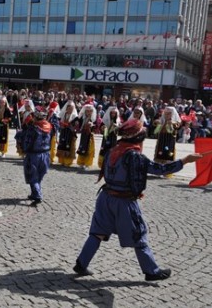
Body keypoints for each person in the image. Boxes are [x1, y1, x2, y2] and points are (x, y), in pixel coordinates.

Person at [73, 119, 201, 281]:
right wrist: (185, 160)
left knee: (97, 233)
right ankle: (151, 271)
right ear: (138, 137)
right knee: (138, 234)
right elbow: (160, 169)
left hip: (105, 199)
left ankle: (81, 263)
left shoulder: (114, 150)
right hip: (124, 202)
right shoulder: (134, 156)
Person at [19, 107, 52, 207]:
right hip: (45, 155)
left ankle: (37, 195)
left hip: (34, 155)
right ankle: (34, 193)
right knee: (39, 176)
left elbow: (27, 142)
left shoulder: (33, 129)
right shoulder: (49, 127)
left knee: (32, 175)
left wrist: (20, 135)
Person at [153, 106, 181, 178]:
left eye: (169, 113)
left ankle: (167, 171)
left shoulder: (176, 121)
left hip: (170, 140)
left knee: (168, 154)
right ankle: (158, 170)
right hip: (161, 139)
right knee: (160, 153)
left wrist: (171, 123)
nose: (167, 115)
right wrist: (157, 123)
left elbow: (176, 127)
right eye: (166, 113)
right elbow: (156, 127)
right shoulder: (162, 119)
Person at [56, 100, 78, 166]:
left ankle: (68, 162)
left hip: (70, 133)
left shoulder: (74, 116)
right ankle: (62, 160)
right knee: (62, 144)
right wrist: (62, 124)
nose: (70, 110)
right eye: (68, 108)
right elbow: (60, 121)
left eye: (71, 108)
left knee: (68, 145)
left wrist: (70, 125)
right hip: (63, 132)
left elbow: (76, 125)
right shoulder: (63, 114)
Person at [75, 103, 97, 169]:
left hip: (90, 136)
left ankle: (87, 163)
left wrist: (92, 126)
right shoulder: (83, 118)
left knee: (88, 149)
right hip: (83, 135)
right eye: (87, 111)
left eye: (90, 111)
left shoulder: (94, 119)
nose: (89, 112)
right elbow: (79, 125)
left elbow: (97, 127)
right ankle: (81, 162)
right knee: (82, 147)